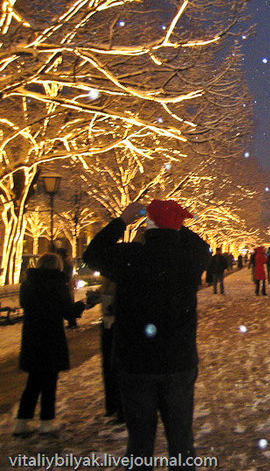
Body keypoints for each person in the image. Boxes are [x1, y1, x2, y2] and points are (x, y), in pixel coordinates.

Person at [82, 199, 210, 470]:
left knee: (139, 441)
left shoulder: (129, 257)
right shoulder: (188, 260)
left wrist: (122, 221)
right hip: (178, 361)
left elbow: (92, 254)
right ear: (177, 227)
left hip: (135, 362)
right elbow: (203, 248)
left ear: (147, 227)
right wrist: (175, 224)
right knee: (181, 440)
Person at [14, 253, 79, 437]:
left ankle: (22, 421)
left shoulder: (28, 284)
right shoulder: (58, 285)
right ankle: (46, 420)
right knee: (49, 381)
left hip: (32, 338)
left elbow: (24, 303)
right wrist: (83, 305)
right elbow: (68, 312)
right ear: (57, 266)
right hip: (51, 338)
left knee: (33, 381)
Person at [86, 276, 123, 421]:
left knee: (115, 367)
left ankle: (118, 406)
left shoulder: (119, 279)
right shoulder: (107, 282)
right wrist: (93, 298)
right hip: (108, 325)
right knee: (109, 366)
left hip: (117, 326)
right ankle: (113, 405)